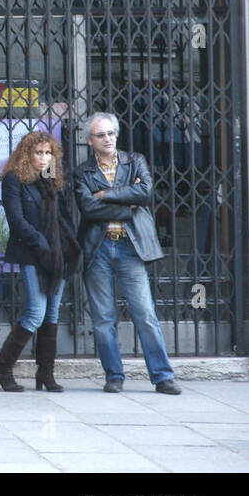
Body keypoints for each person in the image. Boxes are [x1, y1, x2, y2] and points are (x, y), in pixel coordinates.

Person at [75, 111, 181, 395]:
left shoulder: (135, 161)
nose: (107, 139)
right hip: (97, 248)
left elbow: (145, 193)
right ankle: (114, 376)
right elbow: (88, 209)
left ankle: (161, 376)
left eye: (111, 133)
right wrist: (128, 202)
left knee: (144, 313)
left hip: (130, 247)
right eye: (101, 135)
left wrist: (106, 195)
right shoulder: (82, 172)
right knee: (103, 318)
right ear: (89, 141)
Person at [0, 131, 80, 392]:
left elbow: (63, 219)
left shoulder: (52, 181)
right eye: (38, 152)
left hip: (56, 255)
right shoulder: (13, 179)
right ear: (26, 154)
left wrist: (66, 247)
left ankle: (45, 373)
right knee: (35, 313)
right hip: (32, 252)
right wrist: (41, 244)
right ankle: (2, 370)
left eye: (48, 153)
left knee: (52, 313)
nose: (43, 158)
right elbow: (16, 221)